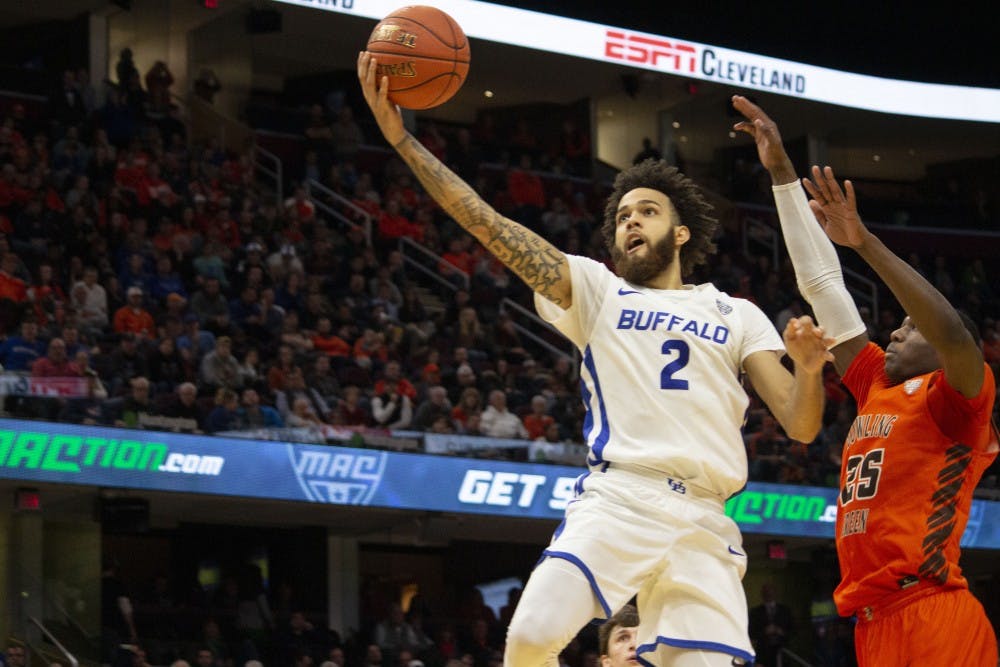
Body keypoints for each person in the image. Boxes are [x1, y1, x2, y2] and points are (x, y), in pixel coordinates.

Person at [359, 53, 833, 667]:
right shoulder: (597, 289)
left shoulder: (736, 312)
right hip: (619, 498)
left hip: (705, 519)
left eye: (647, 211)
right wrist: (402, 142)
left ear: (681, 232)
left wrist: (812, 370)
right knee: (530, 635)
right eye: (622, 216)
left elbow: (800, 424)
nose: (630, 220)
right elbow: (486, 222)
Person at [734, 94, 999, 667]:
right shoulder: (876, 381)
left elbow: (952, 334)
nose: (897, 332)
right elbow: (824, 286)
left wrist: (867, 244)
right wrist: (782, 174)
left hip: (933, 611)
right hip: (873, 621)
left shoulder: (958, 398)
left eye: (910, 327)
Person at [747, 583, 794, 667]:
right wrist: (764, 631)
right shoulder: (755, 612)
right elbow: (751, 633)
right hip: (763, 654)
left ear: (775, 593)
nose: (769, 594)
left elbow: (793, 630)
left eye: (771, 592)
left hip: (782, 653)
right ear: (762, 594)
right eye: (766, 592)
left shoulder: (785, 611)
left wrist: (780, 631)